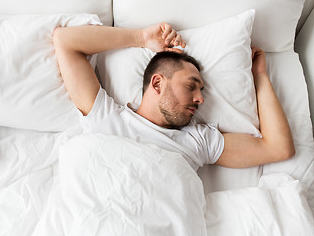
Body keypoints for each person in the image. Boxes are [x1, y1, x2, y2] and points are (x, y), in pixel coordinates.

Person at [53, 22, 295, 170]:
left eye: (201, 91)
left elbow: (278, 148)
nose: (200, 99)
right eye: (192, 86)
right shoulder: (106, 118)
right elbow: (65, 41)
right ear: (157, 82)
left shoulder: (198, 142)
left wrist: (260, 76)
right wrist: (141, 38)